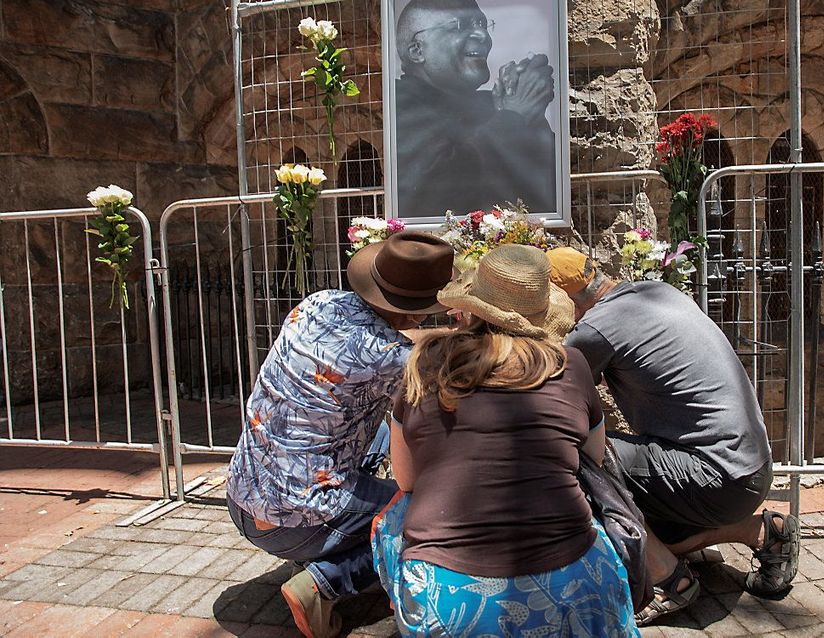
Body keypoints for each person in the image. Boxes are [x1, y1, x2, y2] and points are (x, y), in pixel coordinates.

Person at [371, 245, 639, 637]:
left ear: (473, 305)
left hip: (447, 597)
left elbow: (407, 479)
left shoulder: (424, 364)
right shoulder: (571, 364)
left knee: (393, 517)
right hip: (574, 582)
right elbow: (590, 460)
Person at [547, 247, 800, 626]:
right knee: (646, 525)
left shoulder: (595, 329)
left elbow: (549, 387)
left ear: (566, 303)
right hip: (750, 470)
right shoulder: (655, 290)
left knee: (578, 460)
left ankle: (669, 580)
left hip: (716, 477)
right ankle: (764, 531)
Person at [225, 232, 455, 638]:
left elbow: (385, 344)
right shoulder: (394, 359)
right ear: (418, 311)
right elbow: (422, 375)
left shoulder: (318, 303)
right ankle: (325, 581)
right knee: (426, 514)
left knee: (380, 436)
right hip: (294, 521)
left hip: (242, 493)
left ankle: (328, 538)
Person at [394, 0, 557, 217]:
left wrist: (525, 111)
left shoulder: (491, 103)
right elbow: (432, 194)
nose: (482, 35)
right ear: (417, 51)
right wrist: (514, 116)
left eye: (482, 23)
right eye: (459, 26)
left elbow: (545, 190)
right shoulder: (401, 102)